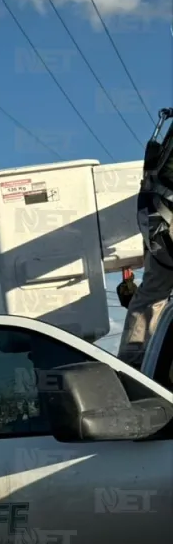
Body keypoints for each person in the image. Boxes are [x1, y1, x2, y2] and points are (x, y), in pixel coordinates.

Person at [118, 108, 173, 369]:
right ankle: (137, 368)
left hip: (158, 215)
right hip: (165, 216)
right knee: (154, 294)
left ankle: (134, 369)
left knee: (153, 293)